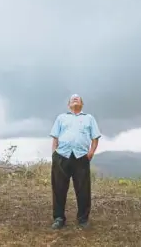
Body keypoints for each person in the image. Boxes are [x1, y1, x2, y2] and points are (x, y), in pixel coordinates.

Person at [49, 94, 101, 229]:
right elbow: (55, 137)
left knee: (83, 189)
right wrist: (54, 153)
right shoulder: (61, 118)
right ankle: (59, 218)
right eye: (72, 98)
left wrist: (91, 153)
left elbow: (95, 137)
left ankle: (83, 219)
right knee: (59, 189)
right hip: (62, 156)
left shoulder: (89, 118)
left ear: (82, 104)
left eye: (78, 98)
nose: (75, 99)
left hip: (81, 157)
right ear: (68, 104)